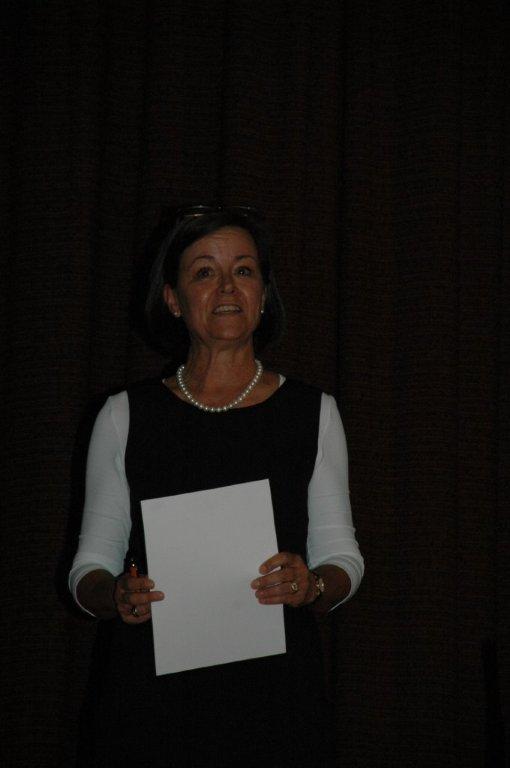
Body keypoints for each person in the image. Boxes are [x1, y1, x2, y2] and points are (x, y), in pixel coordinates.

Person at [69, 204, 364, 768]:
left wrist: (312, 585)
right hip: (148, 703)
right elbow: (88, 571)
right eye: (205, 271)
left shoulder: (314, 412)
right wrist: (117, 595)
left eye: (244, 270)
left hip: (277, 700)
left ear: (263, 294)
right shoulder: (123, 415)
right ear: (173, 300)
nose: (228, 286)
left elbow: (343, 558)